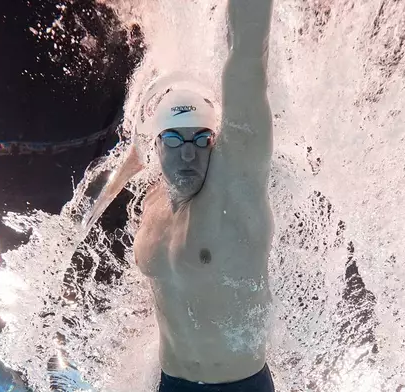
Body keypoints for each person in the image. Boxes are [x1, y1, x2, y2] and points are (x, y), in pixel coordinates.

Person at [95, 0, 275, 390]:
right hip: (172, 382)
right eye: (175, 139)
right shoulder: (151, 203)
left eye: (201, 138)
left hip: (239, 383)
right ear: (156, 146)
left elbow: (247, 58)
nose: (190, 152)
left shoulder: (235, 185)